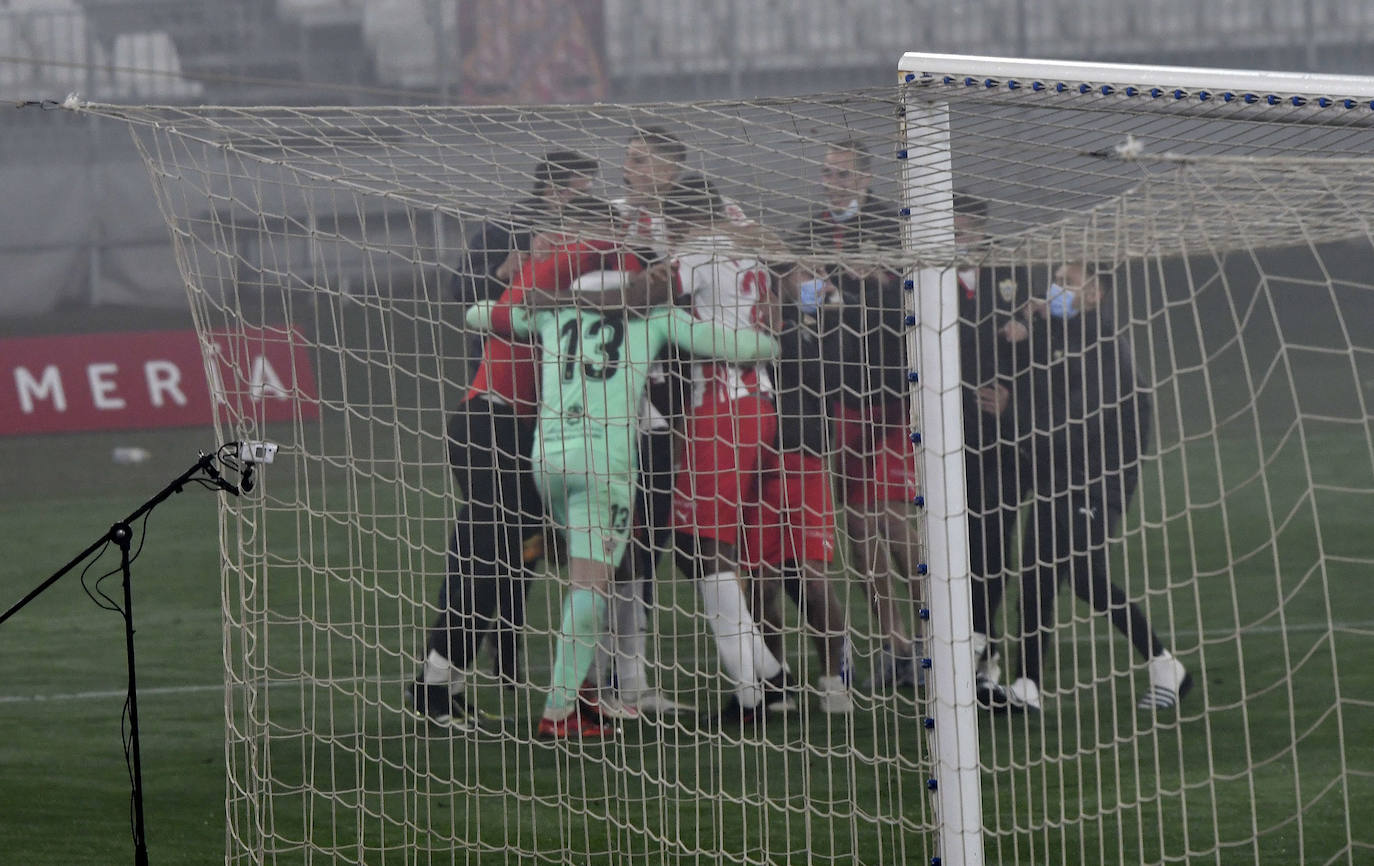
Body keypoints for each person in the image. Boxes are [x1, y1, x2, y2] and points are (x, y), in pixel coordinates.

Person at [467, 200, 781, 739]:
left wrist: (529, 291)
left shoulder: (552, 313)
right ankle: (562, 711)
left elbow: (479, 315)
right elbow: (752, 344)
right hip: (602, 461)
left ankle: (592, 699)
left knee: (584, 579)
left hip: (547, 457)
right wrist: (771, 323)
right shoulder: (653, 319)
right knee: (593, 585)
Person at [996, 262, 1191, 712]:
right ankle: (1026, 685)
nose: (1055, 290)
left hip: (1094, 485)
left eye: (1068, 283)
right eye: (1056, 281)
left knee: (1084, 577)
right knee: (1036, 580)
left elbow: (1076, 425)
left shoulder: (1106, 347)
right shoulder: (1068, 338)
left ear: (1095, 294)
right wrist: (1031, 328)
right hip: (1058, 480)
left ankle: (1165, 664)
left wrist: (1011, 413)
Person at [448, 149, 599, 686]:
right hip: (495, 405)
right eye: (576, 190)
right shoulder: (503, 233)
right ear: (551, 190)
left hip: (544, 408)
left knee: (521, 539)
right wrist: (500, 274)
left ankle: (492, 655)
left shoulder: (583, 246)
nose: (582, 201)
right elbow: (458, 293)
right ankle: (477, 655)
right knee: (490, 536)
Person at [790, 138, 920, 691]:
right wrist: (811, 289)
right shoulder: (808, 232)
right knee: (859, 524)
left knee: (892, 517)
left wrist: (875, 281)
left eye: (842, 173)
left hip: (890, 392)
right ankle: (894, 642)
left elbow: (914, 297)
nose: (832, 181)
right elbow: (799, 294)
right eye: (827, 172)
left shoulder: (896, 226)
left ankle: (934, 633)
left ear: (866, 180)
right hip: (837, 394)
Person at [667, 175, 797, 724]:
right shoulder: (747, 245)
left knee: (700, 544)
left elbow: (653, 292)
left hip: (722, 407)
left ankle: (753, 689)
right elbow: (786, 291)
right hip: (758, 399)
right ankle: (768, 673)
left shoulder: (695, 252)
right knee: (706, 543)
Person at [750, 268, 855, 714]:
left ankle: (834, 678)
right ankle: (777, 681)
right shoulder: (747, 327)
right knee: (760, 585)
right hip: (758, 466)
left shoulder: (820, 326)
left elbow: (834, 382)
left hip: (808, 464)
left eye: (819, 274)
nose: (815, 280)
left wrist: (828, 322)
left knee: (814, 581)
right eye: (804, 274)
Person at [952, 194, 1034, 705]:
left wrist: (1014, 396)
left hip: (1001, 441)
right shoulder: (922, 276)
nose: (962, 229)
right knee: (951, 551)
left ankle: (984, 652)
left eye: (967, 221)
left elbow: (1043, 348)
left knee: (992, 549)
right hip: (944, 438)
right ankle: (957, 651)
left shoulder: (1011, 273)